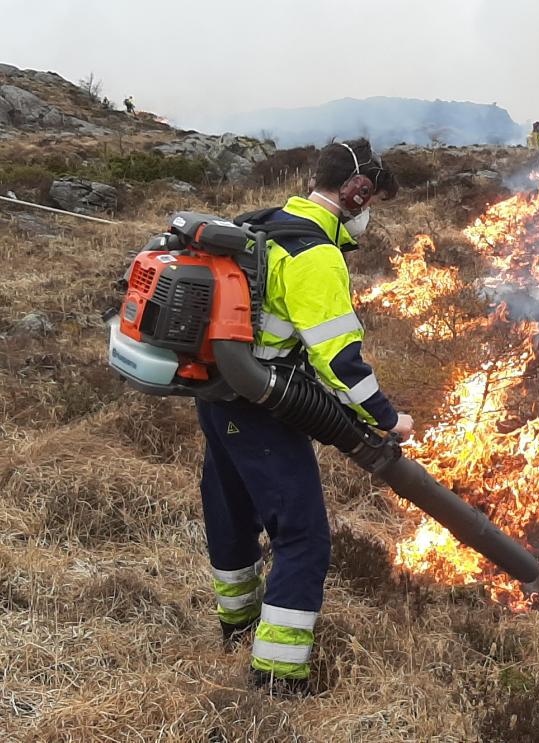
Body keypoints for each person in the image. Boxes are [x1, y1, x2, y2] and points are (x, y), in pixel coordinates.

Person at [195, 138, 413, 694]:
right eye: (371, 202)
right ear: (355, 191)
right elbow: (338, 357)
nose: (369, 216)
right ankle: (277, 676)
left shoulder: (267, 220)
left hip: (219, 398)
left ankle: (236, 624)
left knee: (232, 511)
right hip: (262, 409)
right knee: (304, 539)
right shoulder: (314, 254)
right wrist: (387, 419)